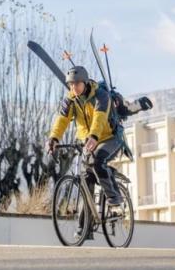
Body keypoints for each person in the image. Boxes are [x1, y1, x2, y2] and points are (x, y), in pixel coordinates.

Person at [47, 66, 124, 238]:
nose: (73, 88)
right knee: (86, 180)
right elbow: (61, 120)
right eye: (70, 85)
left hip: (109, 138)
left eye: (76, 84)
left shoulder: (101, 96)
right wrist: (53, 139)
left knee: (97, 162)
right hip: (87, 141)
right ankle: (85, 228)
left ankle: (114, 199)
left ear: (85, 82)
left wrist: (95, 136)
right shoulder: (70, 100)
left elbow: (99, 118)